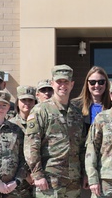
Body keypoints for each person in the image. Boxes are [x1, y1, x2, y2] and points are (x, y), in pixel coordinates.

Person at [24, 64, 85, 198]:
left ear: (72, 84)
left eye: (66, 82)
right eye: (59, 82)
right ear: (52, 83)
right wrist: (38, 175)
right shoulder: (40, 110)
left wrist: (84, 174)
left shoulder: (77, 114)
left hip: (73, 182)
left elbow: (81, 147)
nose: (63, 85)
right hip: (49, 181)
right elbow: (31, 146)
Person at [0, 91, 30, 198]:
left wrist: (16, 181)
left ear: (8, 107)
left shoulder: (16, 130)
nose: (0, 108)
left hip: (14, 189)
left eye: (4, 105)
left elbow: (24, 158)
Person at [9, 86, 36, 197]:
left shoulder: (40, 122)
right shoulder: (11, 125)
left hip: (38, 179)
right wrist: (26, 174)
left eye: (30, 100)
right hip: (18, 183)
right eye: (23, 100)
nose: (27, 103)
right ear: (17, 102)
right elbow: (12, 154)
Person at [71, 66, 111, 136]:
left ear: (106, 83)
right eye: (92, 82)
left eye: (101, 82)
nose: (97, 85)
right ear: (87, 84)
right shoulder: (75, 106)